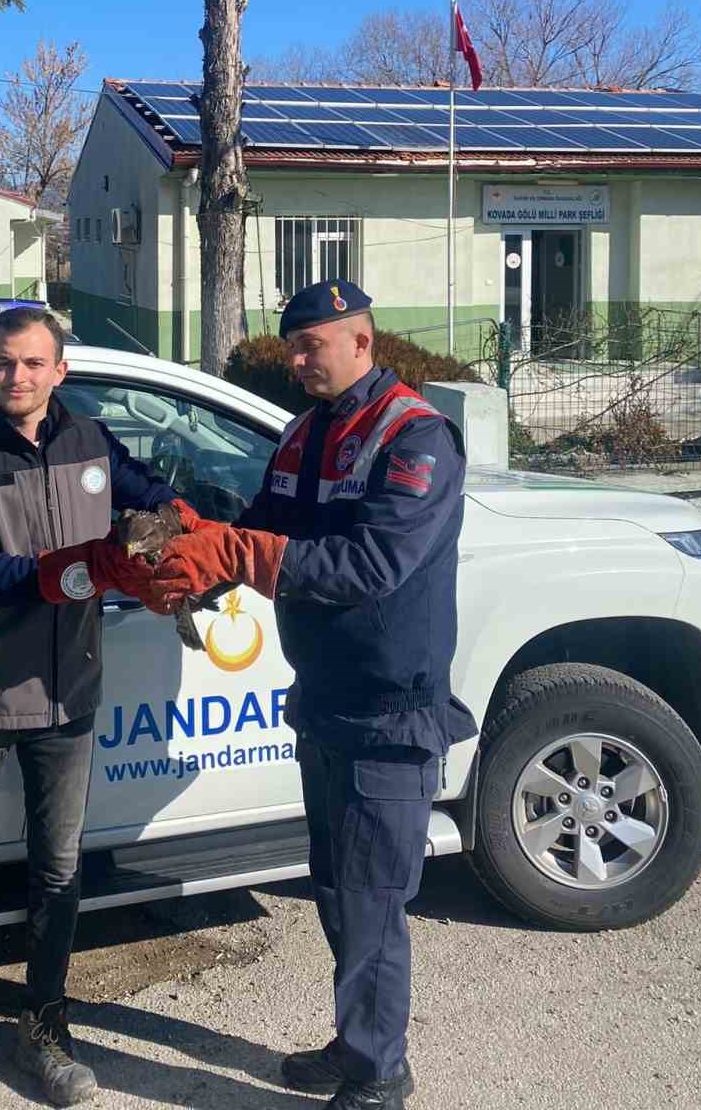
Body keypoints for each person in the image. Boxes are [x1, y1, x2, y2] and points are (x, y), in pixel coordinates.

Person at [144, 280, 478, 1110]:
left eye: (310, 347)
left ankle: (378, 1076)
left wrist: (244, 552)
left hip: (388, 706)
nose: (293, 361)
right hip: (324, 696)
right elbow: (262, 522)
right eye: (290, 346)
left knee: (371, 903)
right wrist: (196, 537)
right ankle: (357, 1042)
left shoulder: (416, 439)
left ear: (362, 342)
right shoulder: (304, 433)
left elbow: (370, 569)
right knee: (337, 891)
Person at [0, 305, 191, 1110]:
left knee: (58, 872)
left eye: (34, 363)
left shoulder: (92, 443)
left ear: (60, 371)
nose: (18, 377)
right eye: (4, 363)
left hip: (68, 697)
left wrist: (168, 538)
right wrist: (87, 565)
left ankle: (45, 1029)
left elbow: (157, 503)